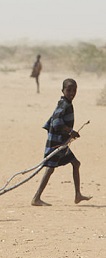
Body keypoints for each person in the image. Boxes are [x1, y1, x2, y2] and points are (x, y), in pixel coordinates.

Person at [31, 78, 91, 206]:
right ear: (62, 90)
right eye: (69, 90)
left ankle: (78, 195)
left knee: (75, 163)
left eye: (74, 90)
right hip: (56, 142)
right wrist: (70, 132)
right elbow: (56, 122)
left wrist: (68, 134)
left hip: (61, 141)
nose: (72, 93)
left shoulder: (66, 103)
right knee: (50, 169)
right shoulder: (64, 104)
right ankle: (36, 198)